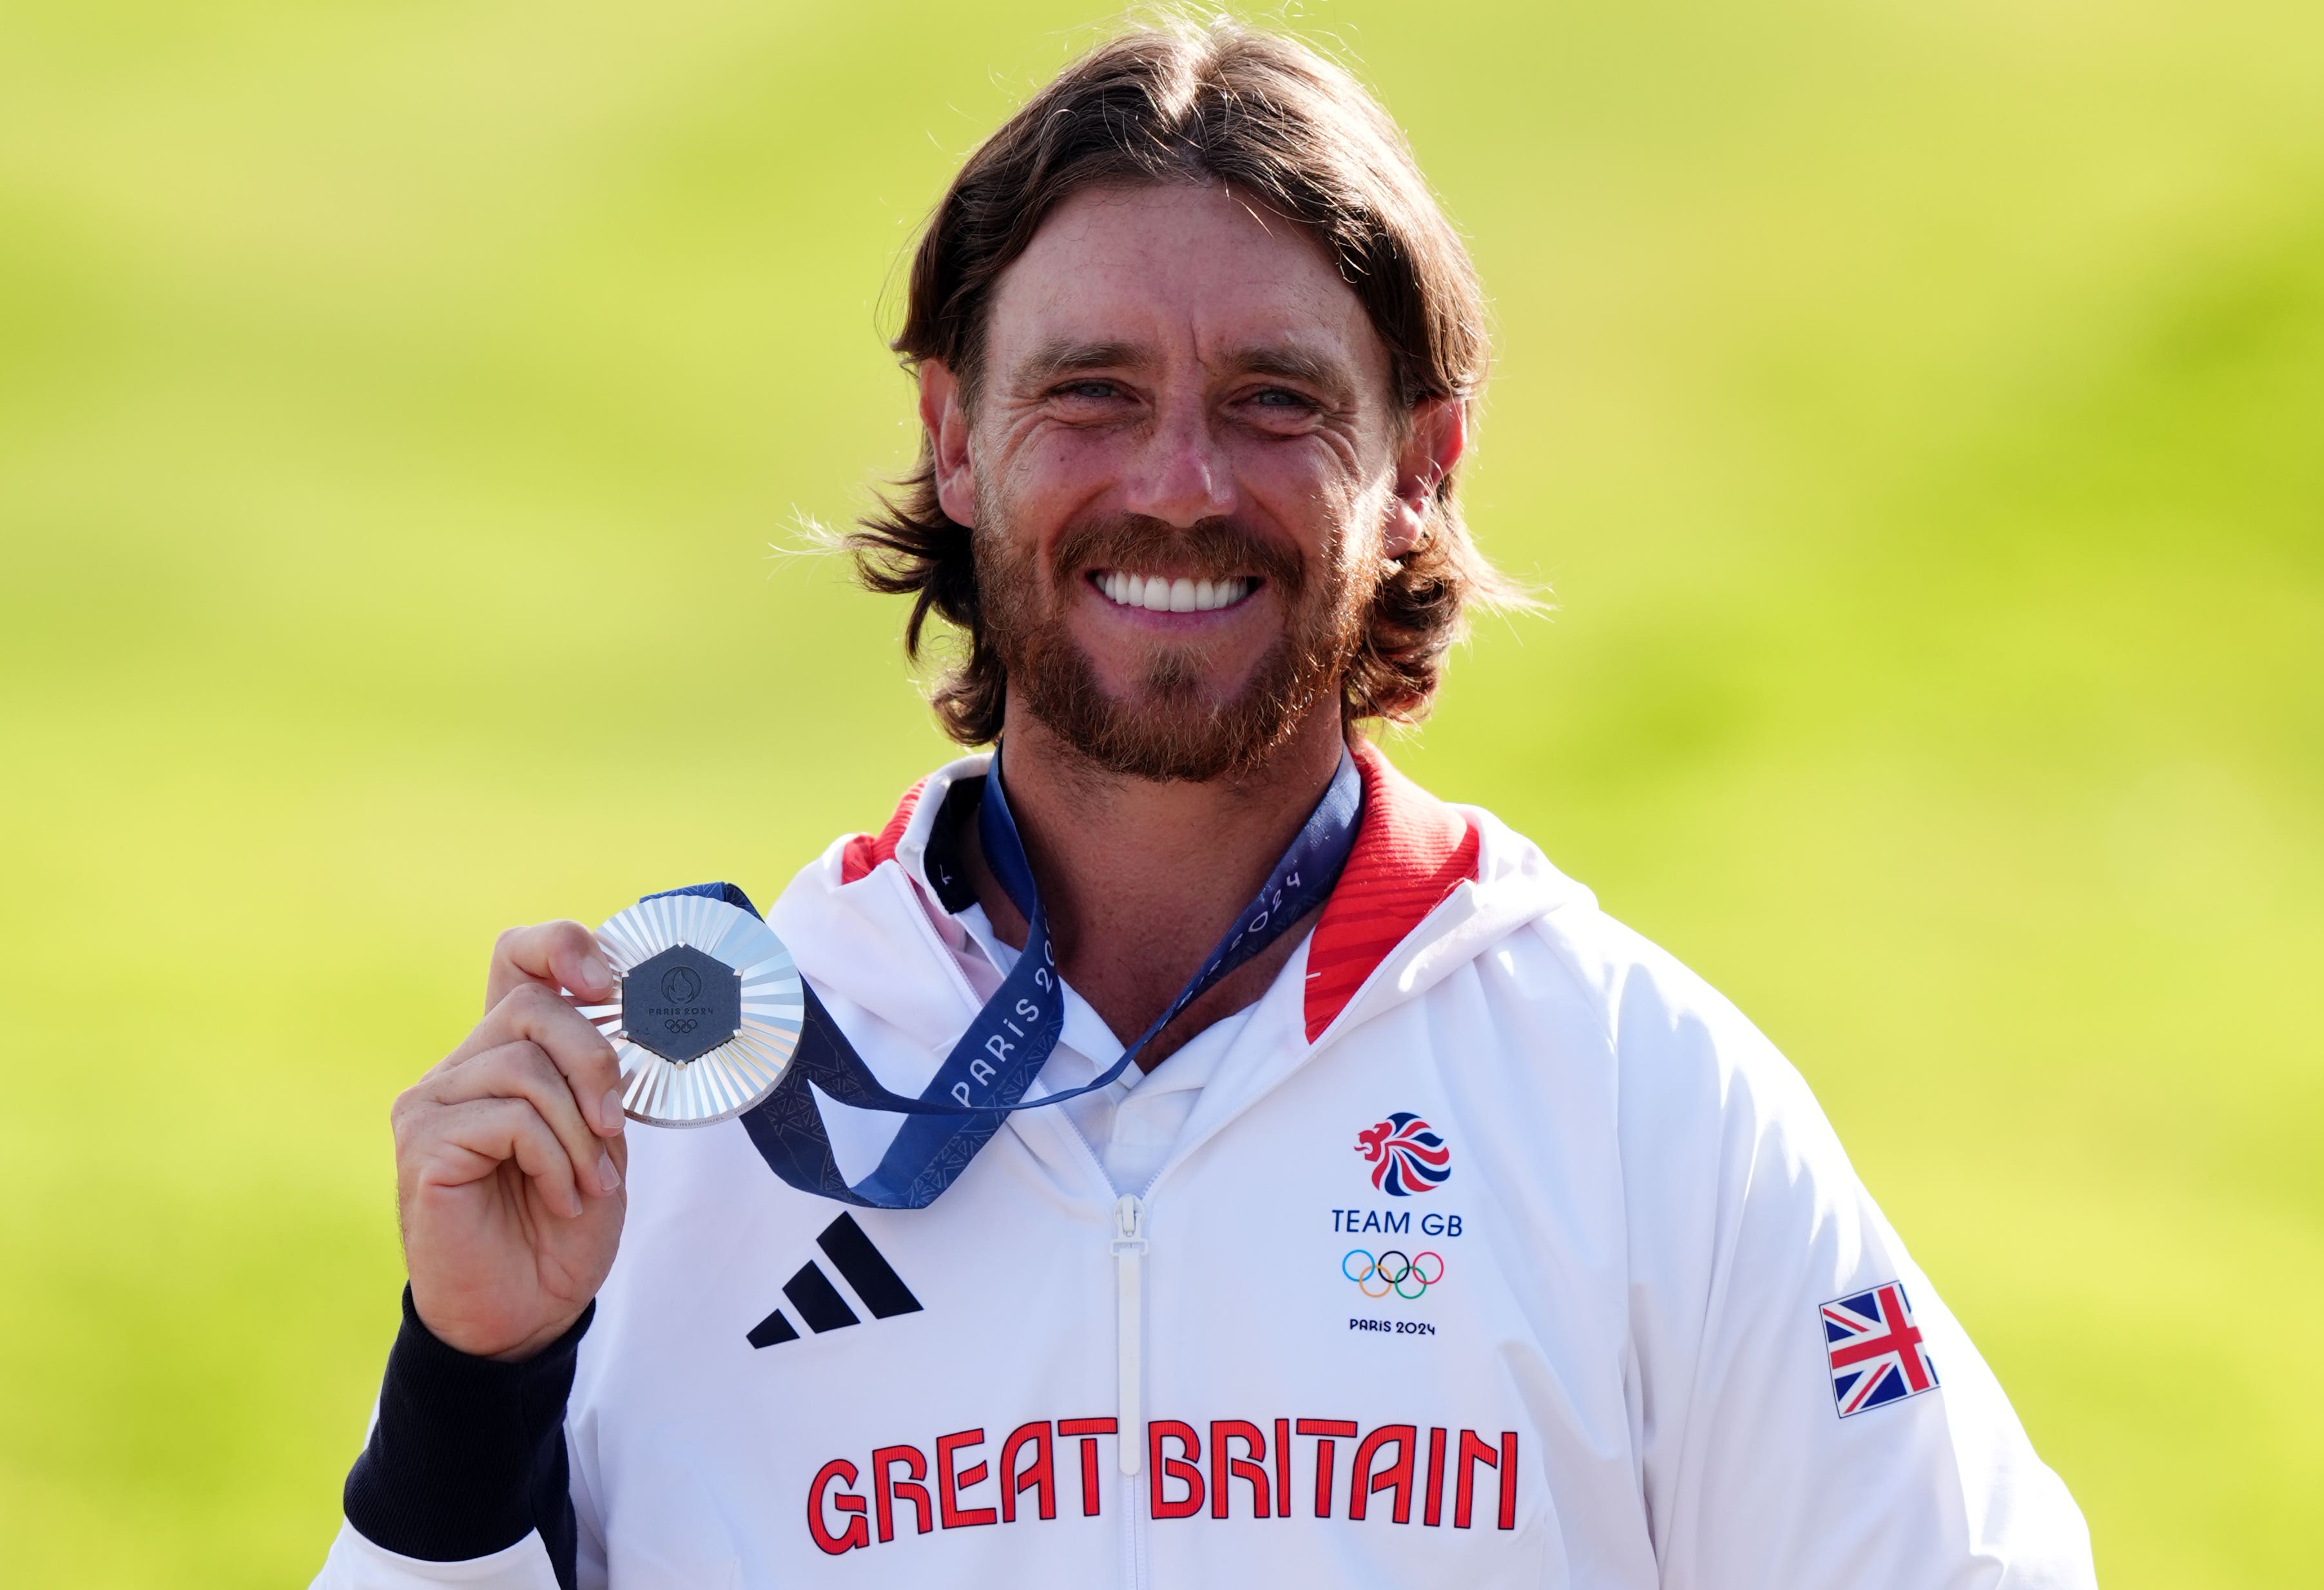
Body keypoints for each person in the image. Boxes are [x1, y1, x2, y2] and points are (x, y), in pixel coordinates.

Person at [315, 19, 2095, 1589]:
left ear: (1420, 462)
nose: (1179, 483)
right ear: (951, 430)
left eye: (1274, 401)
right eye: (1090, 392)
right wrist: (469, 1385)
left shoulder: (1628, 1097)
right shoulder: (707, 1111)